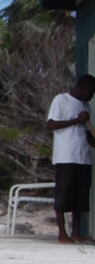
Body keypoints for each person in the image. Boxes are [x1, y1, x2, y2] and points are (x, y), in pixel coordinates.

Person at [46, 74, 95, 243]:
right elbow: (51, 124)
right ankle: (62, 233)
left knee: (80, 196)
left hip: (83, 158)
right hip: (66, 156)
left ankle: (76, 232)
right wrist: (77, 120)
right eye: (91, 92)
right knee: (63, 194)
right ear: (83, 88)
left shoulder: (86, 106)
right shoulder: (61, 100)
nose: (92, 96)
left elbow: (87, 135)